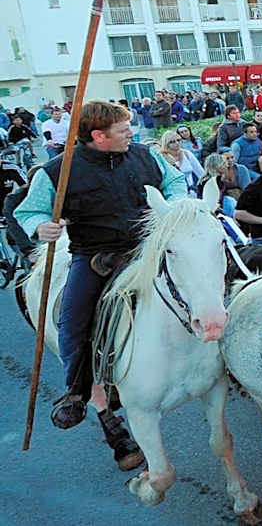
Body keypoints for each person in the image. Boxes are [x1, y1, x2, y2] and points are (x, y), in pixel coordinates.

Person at [14, 100, 186, 429]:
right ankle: (77, 391)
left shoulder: (143, 155)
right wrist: (40, 226)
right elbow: (28, 211)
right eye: (123, 130)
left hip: (147, 246)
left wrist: (173, 206)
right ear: (99, 135)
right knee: (73, 320)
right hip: (95, 256)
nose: (131, 135)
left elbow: (175, 183)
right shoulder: (58, 171)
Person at [4, 165, 40, 264]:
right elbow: (15, 228)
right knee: (33, 269)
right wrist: (29, 251)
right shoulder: (14, 199)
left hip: (47, 238)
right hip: (23, 240)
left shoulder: (56, 194)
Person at [159, 129, 205, 193]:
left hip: (191, 190)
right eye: (172, 142)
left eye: (178, 140)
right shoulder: (161, 157)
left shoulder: (187, 154)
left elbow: (200, 173)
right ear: (166, 143)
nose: (177, 143)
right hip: (172, 192)